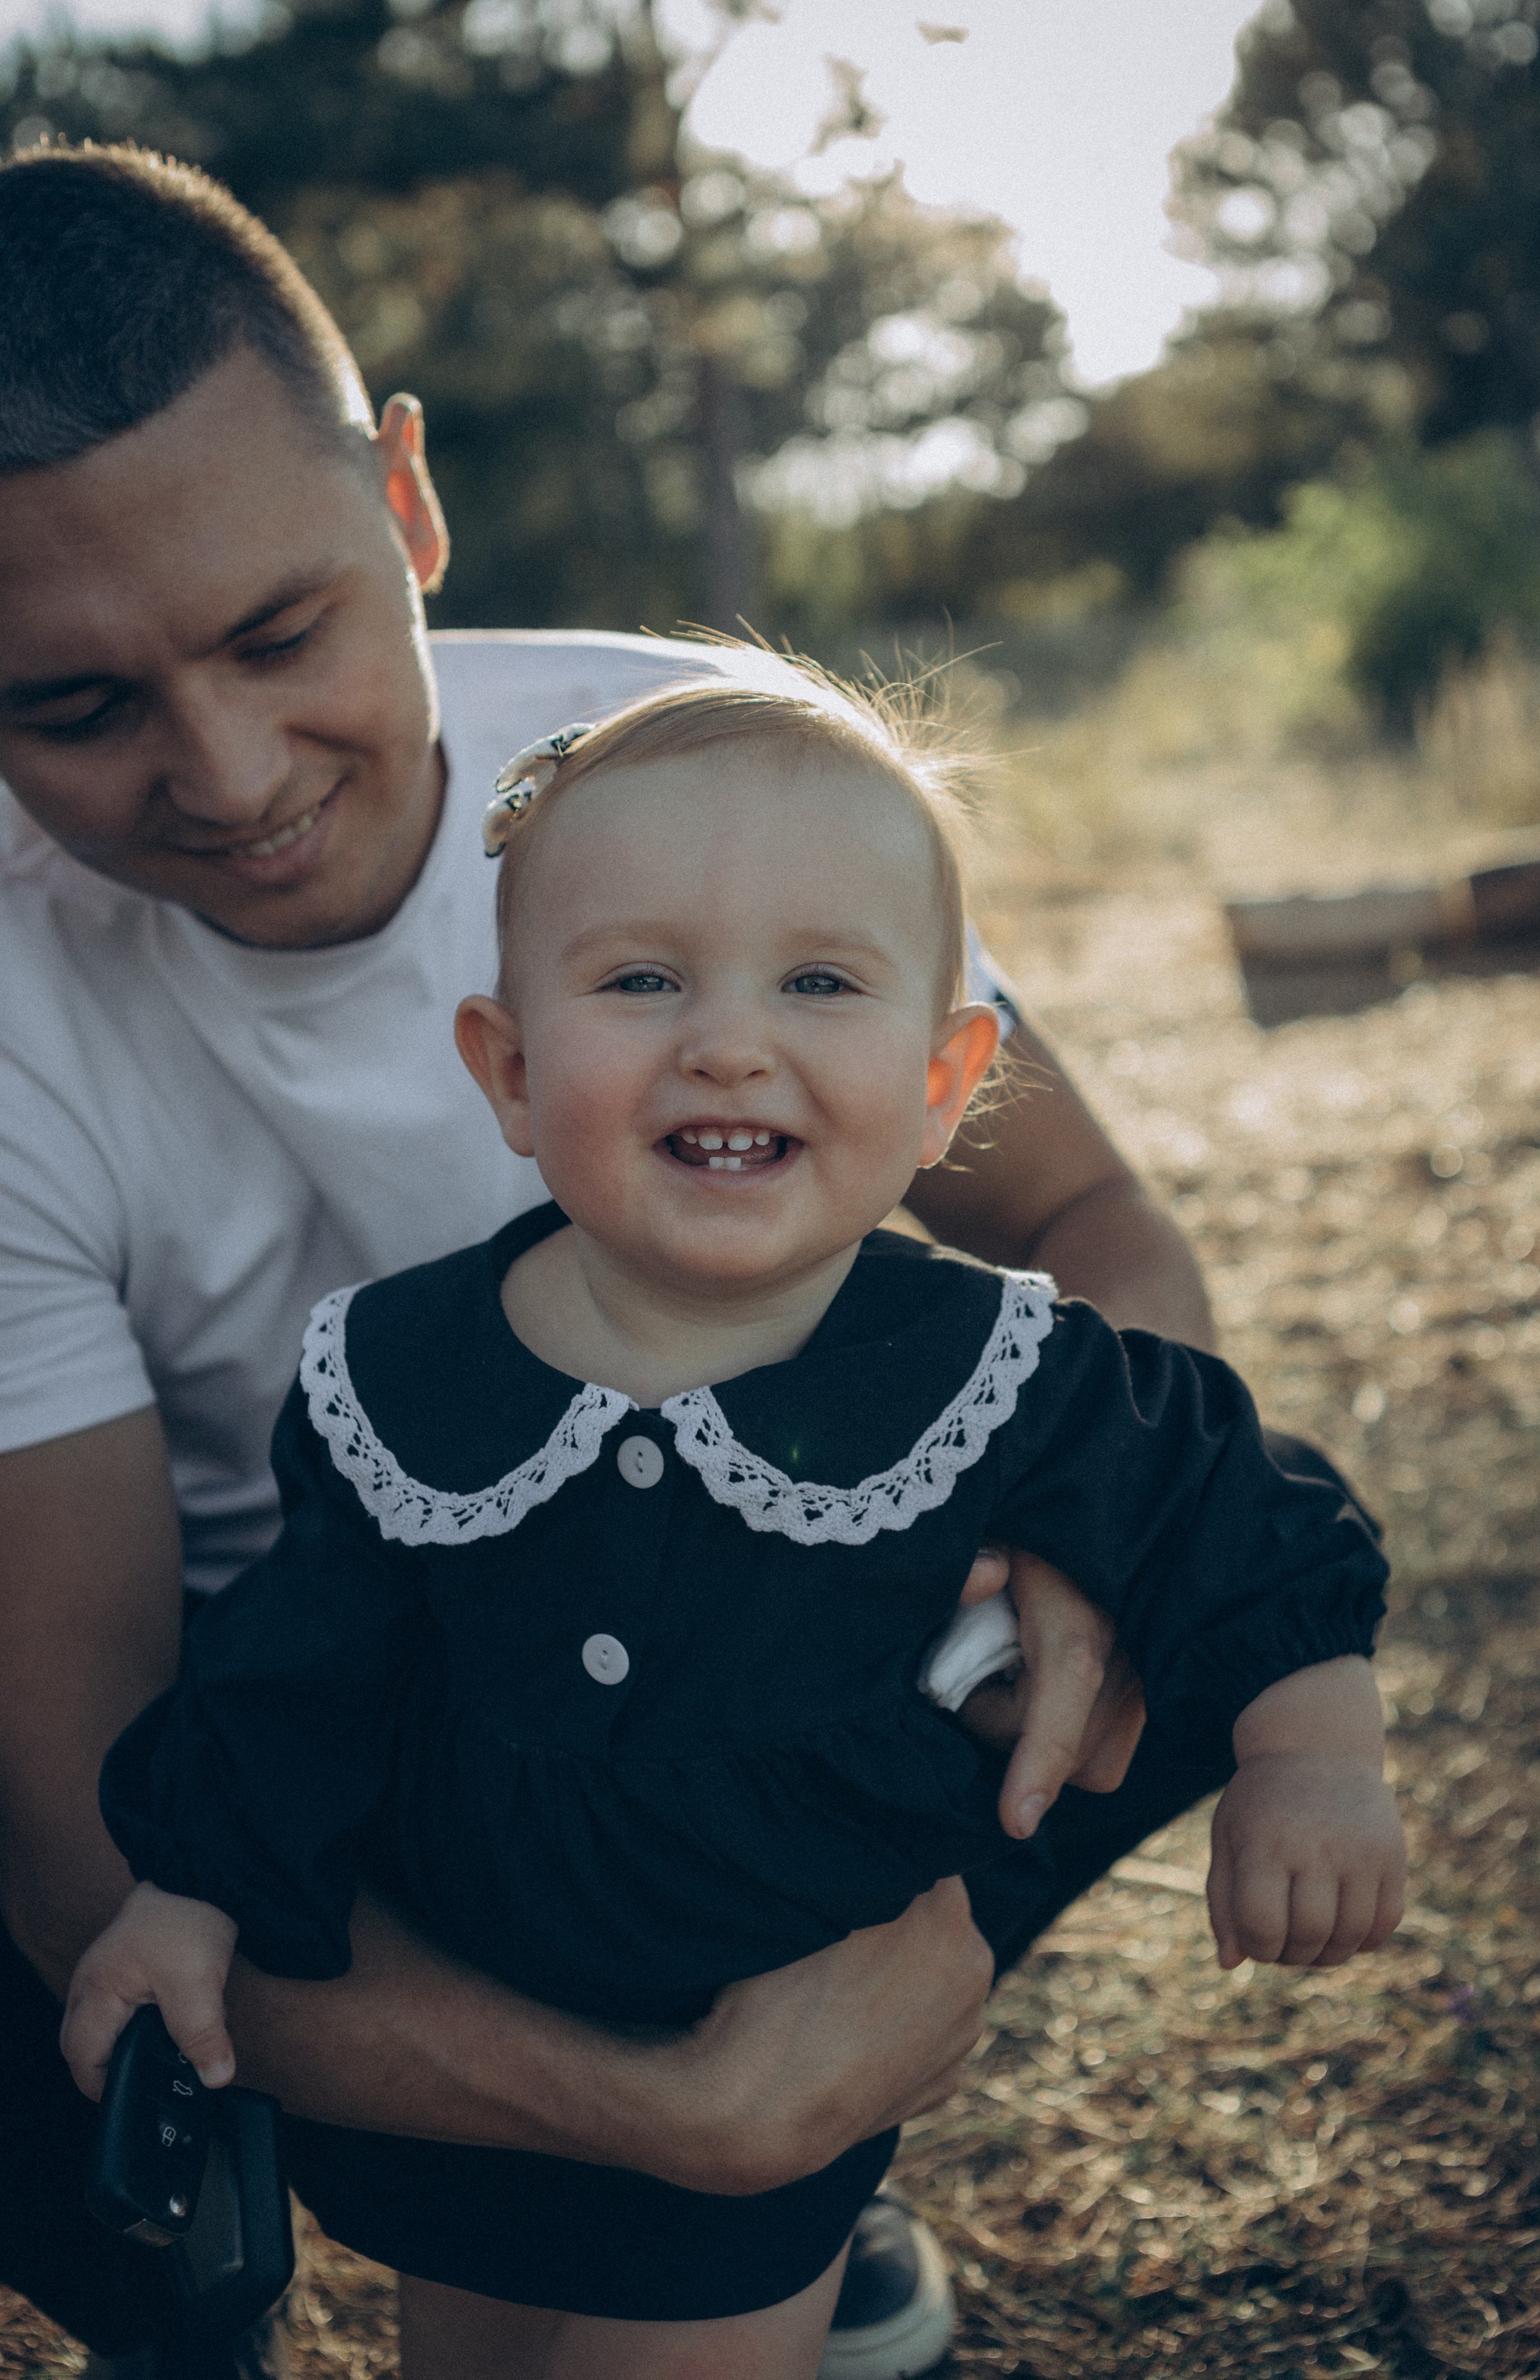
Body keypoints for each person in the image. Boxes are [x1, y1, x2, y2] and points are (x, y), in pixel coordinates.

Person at [0, 143, 1344, 2378]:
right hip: (320, 1705)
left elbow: (1097, 1229)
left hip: (767, 1633)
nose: (225, 771)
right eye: (71, 705)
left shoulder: (704, 776)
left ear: (408, 508)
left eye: (280, 632)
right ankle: (563, 2212)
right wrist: (694, 2119)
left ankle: (776, 2224)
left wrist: (1061, 1553)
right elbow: (79, 1836)